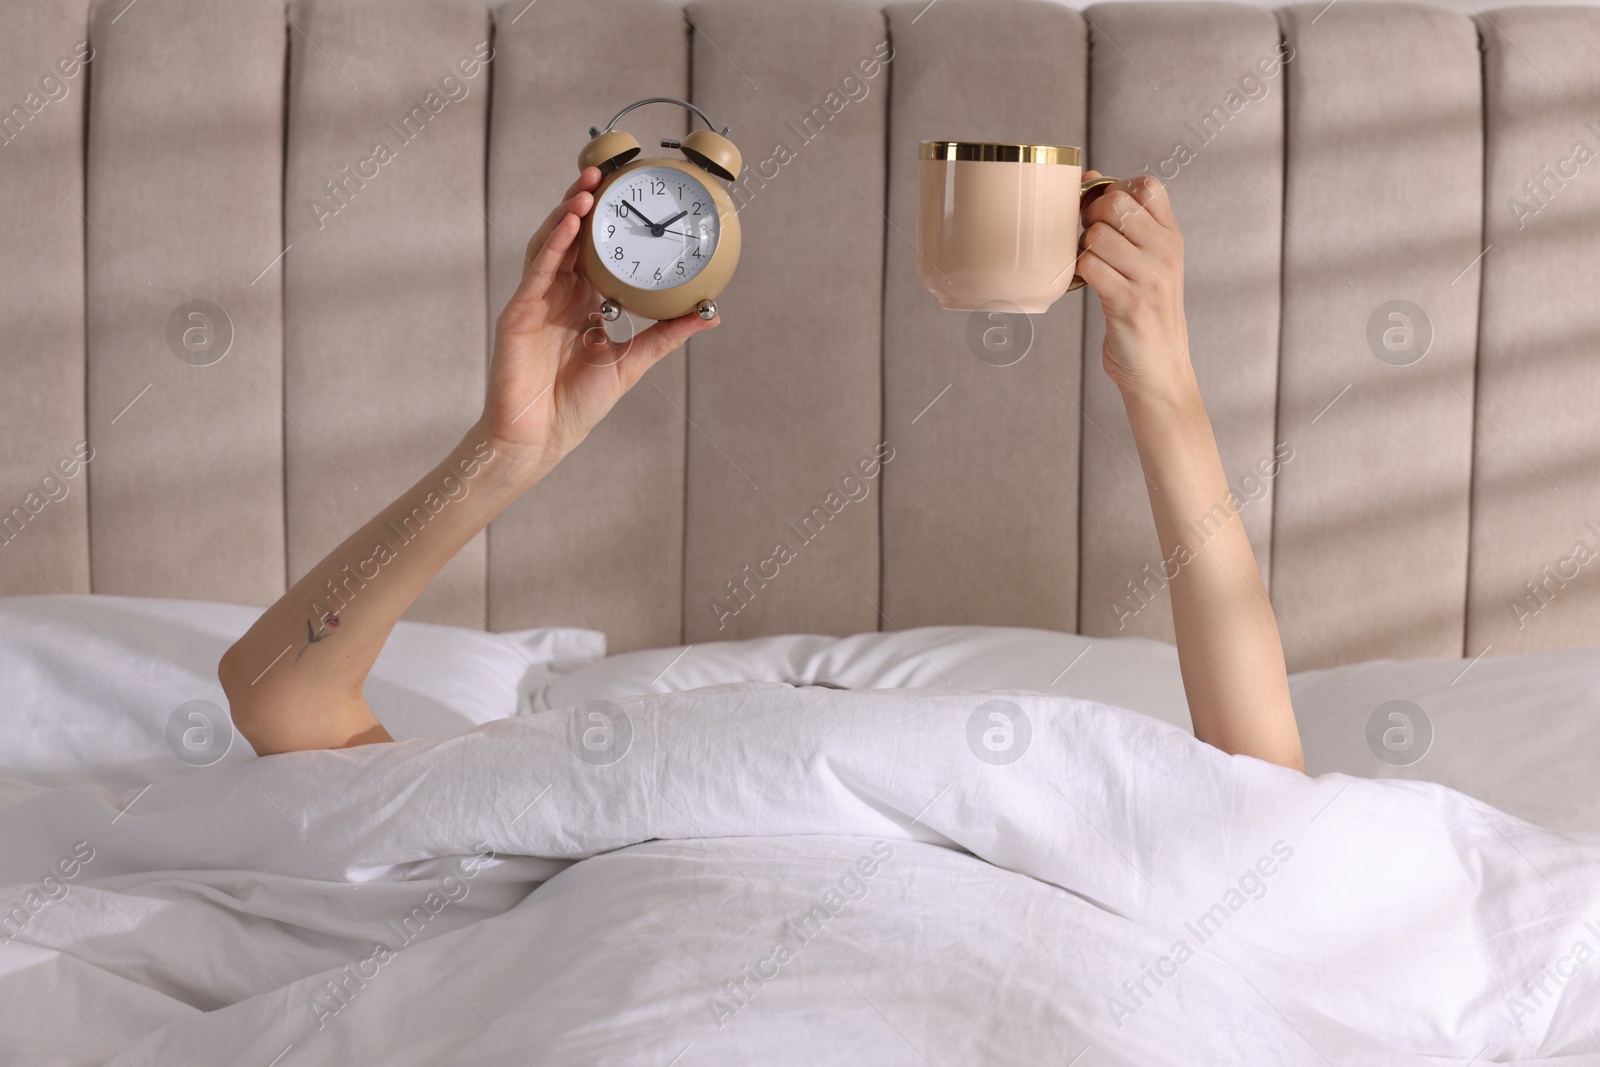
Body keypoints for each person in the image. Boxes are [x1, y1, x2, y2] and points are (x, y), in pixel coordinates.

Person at [218, 166, 1306, 773]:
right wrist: (505, 453)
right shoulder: (586, 798)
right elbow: (278, 694)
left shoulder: (1030, 826)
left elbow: (1271, 819)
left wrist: (1162, 378)